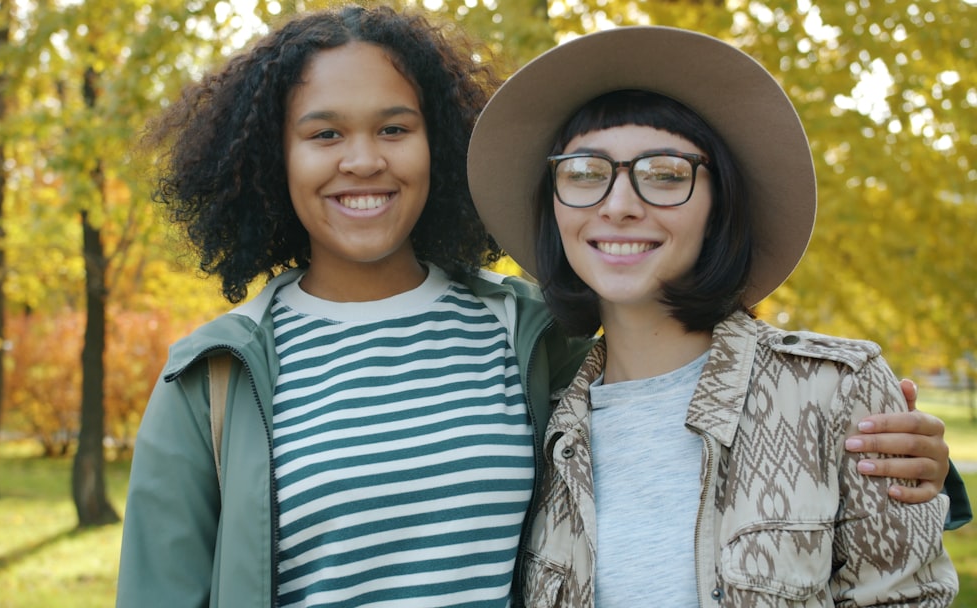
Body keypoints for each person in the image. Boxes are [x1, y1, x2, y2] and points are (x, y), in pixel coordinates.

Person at [117, 7, 959, 606]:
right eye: (325, 133)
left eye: (396, 129)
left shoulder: (528, 331)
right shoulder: (215, 379)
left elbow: (694, 394)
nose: (363, 161)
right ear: (275, 158)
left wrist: (915, 459)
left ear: (437, 145)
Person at [467, 25, 962, 606]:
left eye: (666, 174)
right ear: (553, 207)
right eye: (584, 173)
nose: (620, 205)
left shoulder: (834, 391)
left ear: (718, 204)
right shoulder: (536, 420)